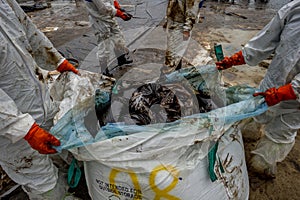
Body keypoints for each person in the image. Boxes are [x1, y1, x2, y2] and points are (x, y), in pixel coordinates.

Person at [0, 0, 80, 199]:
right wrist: (24, 128)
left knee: (61, 156)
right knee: (44, 183)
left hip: (40, 103)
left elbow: (26, 26)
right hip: (11, 133)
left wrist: (57, 61)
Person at [216, 0, 300, 178]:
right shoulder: (294, 8)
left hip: (297, 100)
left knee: (281, 131)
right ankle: (250, 134)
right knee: (257, 111)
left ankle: (262, 163)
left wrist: (290, 91)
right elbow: (266, 39)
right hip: (274, 81)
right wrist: (235, 59)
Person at [83, 0, 133, 75]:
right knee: (104, 44)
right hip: (99, 19)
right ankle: (104, 70)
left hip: (108, 16)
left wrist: (115, 4)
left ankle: (121, 58)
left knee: (118, 36)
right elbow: (103, 9)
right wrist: (118, 13)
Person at [162, 0, 197, 74]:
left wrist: (187, 29)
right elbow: (170, 6)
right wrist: (166, 21)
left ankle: (172, 74)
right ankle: (174, 74)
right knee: (172, 52)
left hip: (180, 26)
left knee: (174, 54)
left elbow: (191, 11)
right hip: (172, 23)